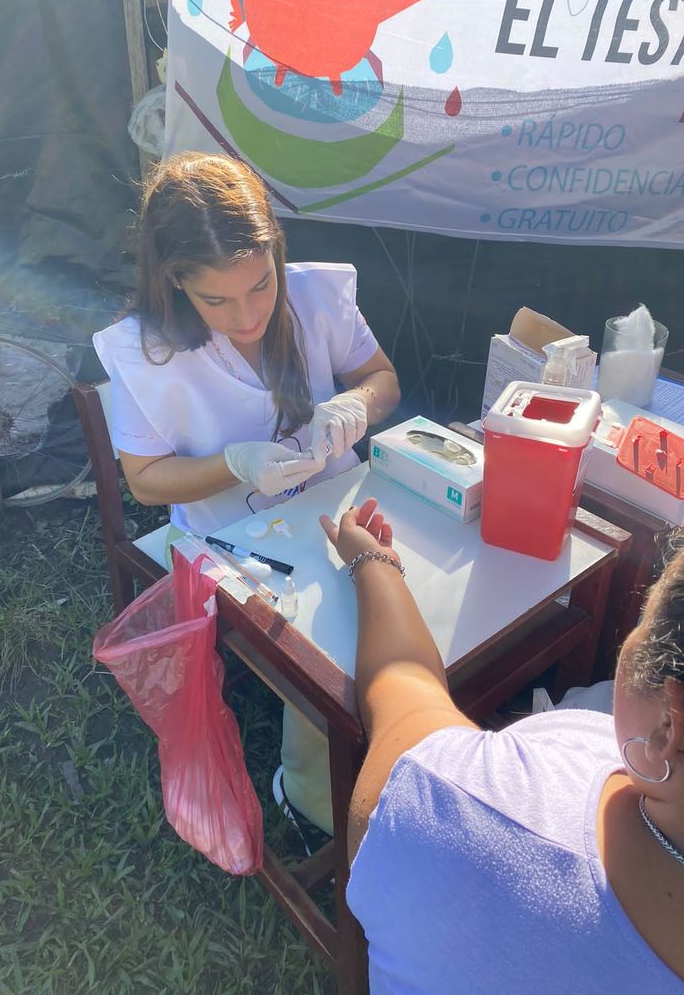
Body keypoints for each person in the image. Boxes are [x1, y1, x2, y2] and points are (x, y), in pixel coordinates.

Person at [93, 152, 400, 836]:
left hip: (336, 499)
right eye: (218, 300)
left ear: (276, 251)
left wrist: (350, 408)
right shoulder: (151, 354)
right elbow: (145, 480)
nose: (249, 313)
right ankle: (314, 793)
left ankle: (393, 738)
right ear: (176, 283)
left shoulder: (315, 299)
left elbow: (384, 378)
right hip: (220, 535)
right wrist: (233, 464)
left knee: (405, 588)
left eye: (261, 285)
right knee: (335, 640)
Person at [320, 499, 684, 993]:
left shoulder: (454, 800)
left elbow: (403, 684)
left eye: (642, 620)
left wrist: (372, 562)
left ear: (667, 724)